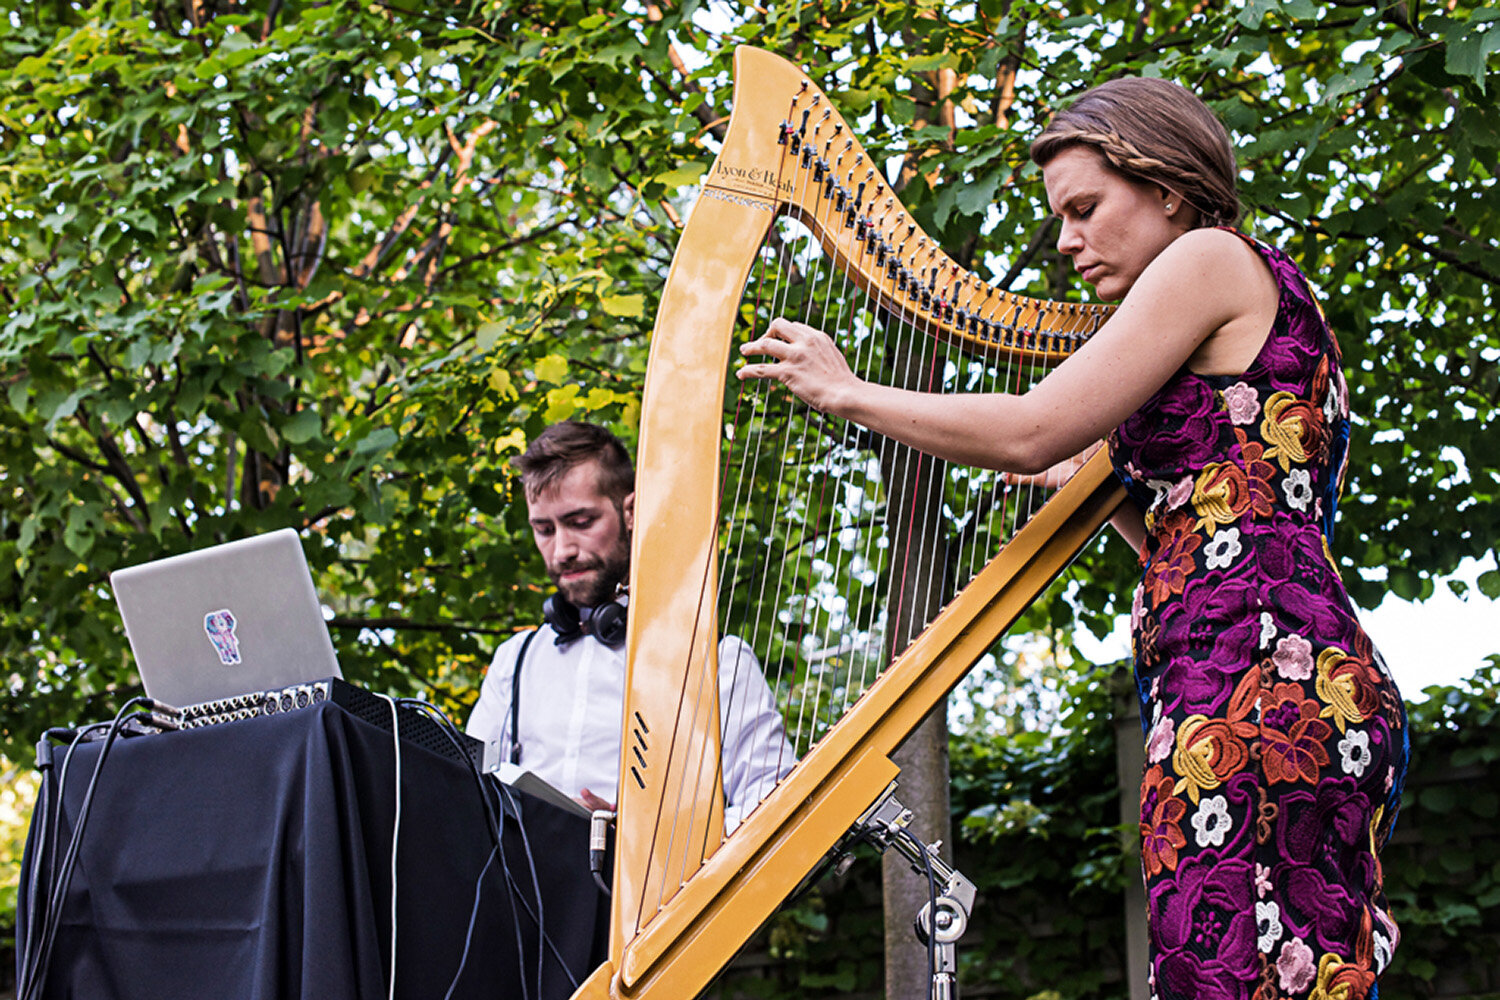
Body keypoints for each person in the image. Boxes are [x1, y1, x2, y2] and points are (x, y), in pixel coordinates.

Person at [738, 77, 1407, 1000]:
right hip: (1264, 669)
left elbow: (1028, 425)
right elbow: (1212, 539)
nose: (1066, 241)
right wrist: (1118, 493)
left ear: (1167, 186)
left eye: (1085, 209)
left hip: (1259, 687)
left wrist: (847, 391)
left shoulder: (1207, 255)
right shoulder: (1262, 292)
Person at [467, 420, 794, 830]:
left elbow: (776, 809)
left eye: (581, 522)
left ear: (632, 512)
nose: (562, 550)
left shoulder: (717, 660)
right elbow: (470, 804)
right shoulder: (513, 663)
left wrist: (641, 846)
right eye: (544, 529)